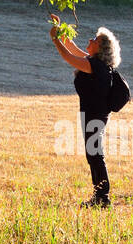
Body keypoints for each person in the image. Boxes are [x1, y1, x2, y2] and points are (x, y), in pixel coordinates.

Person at [49, 14, 121, 208]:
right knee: (94, 154)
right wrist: (60, 29)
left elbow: (67, 56)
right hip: (93, 114)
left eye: (94, 39)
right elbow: (72, 48)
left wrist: (55, 38)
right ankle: (99, 197)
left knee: (95, 154)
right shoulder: (96, 64)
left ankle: (102, 198)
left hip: (95, 115)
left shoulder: (94, 66)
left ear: (100, 48)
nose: (90, 40)